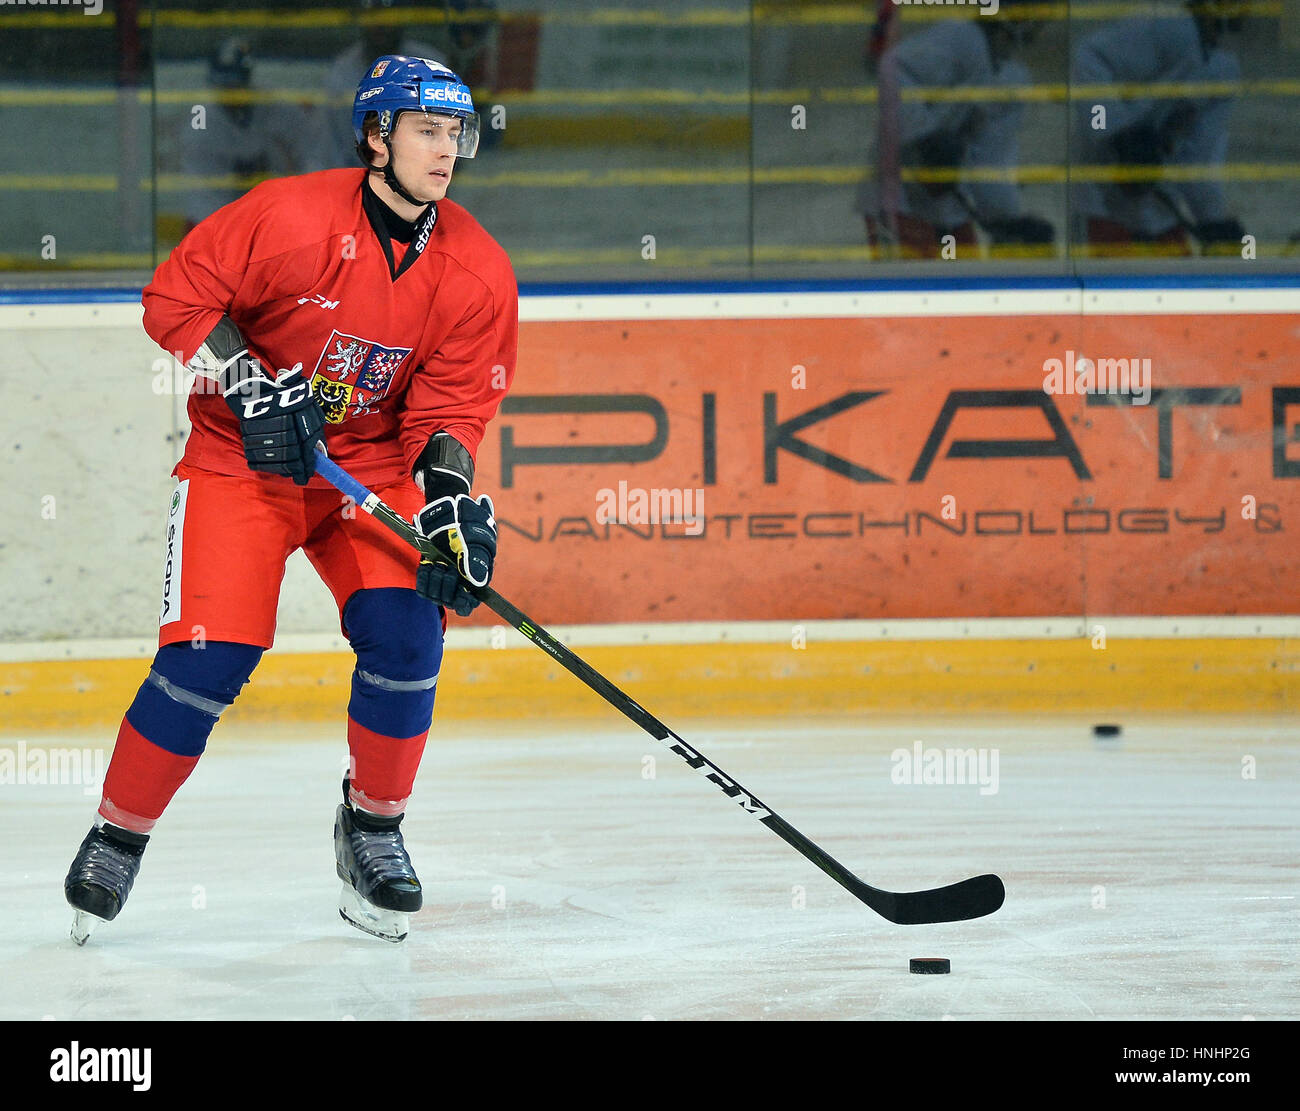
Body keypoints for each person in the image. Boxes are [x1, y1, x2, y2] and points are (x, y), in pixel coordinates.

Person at [62, 55, 518, 945]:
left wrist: (449, 501)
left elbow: (452, 406)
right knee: (205, 659)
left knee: (408, 633)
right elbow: (174, 298)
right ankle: (119, 832)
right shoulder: (288, 215)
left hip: (368, 466)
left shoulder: (477, 268)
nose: (446, 150)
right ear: (376, 137)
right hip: (242, 463)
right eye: (426, 130)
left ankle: (373, 830)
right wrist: (247, 381)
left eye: (455, 133)